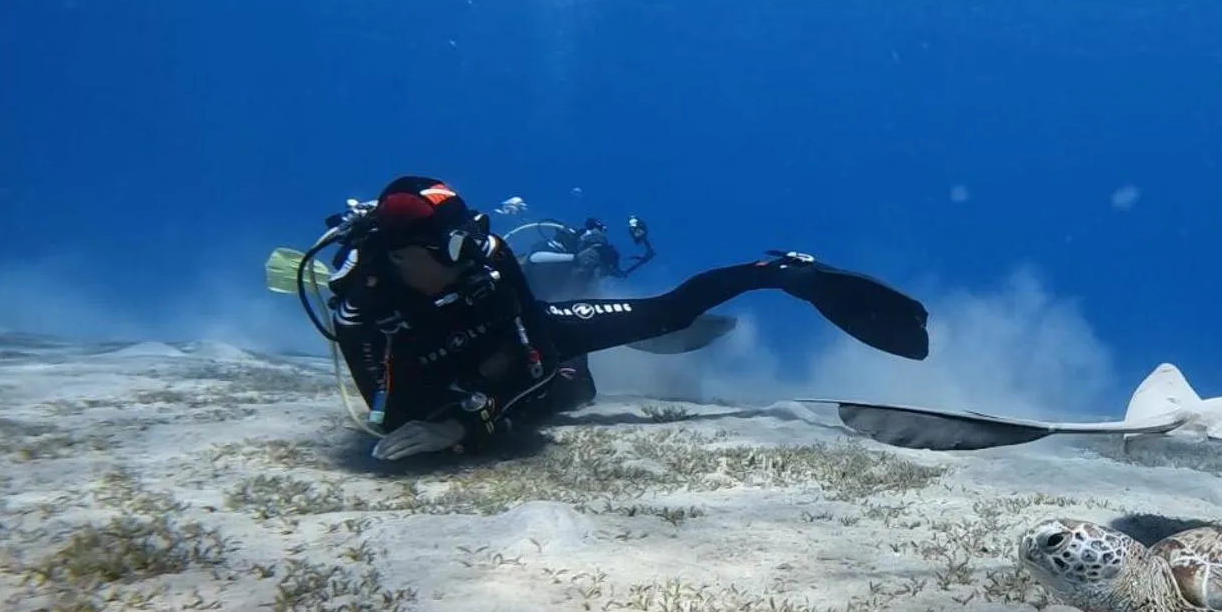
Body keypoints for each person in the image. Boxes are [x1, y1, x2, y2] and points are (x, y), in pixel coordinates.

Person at [301, 176, 930, 462]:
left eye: (474, 239)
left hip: (537, 334)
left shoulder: (488, 259)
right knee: (567, 392)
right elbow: (389, 412)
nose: (477, 259)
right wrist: (458, 422)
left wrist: (474, 418)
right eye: (455, 250)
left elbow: (534, 360)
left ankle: (785, 274)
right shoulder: (365, 309)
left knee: (663, 313)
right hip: (454, 358)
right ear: (403, 258)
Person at [519, 214, 655, 302]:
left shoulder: (581, 267)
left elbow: (617, 274)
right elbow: (535, 258)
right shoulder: (555, 249)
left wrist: (641, 260)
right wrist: (575, 258)